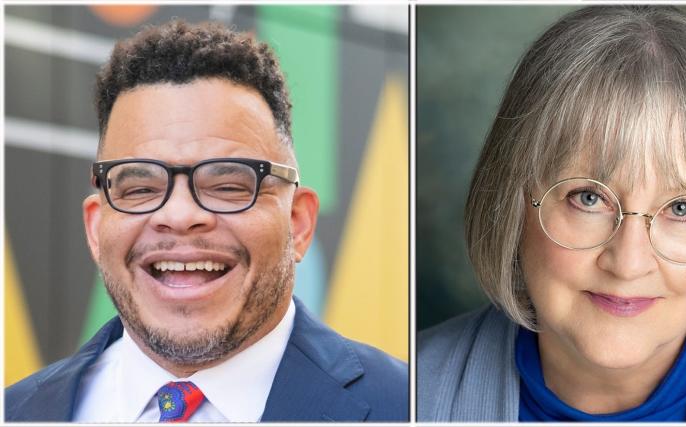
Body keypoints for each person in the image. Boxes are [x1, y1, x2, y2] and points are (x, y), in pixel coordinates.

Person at [416, 6, 686, 422]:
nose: (629, 264)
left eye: (682, 208)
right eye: (588, 198)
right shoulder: (410, 392)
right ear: (512, 202)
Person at [4, 20, 408, 422]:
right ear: (95, 228)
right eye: (141, 188)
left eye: (229, 186)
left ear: (298, 222)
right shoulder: (19, 411)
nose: (179, 216)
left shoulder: (408, 407)